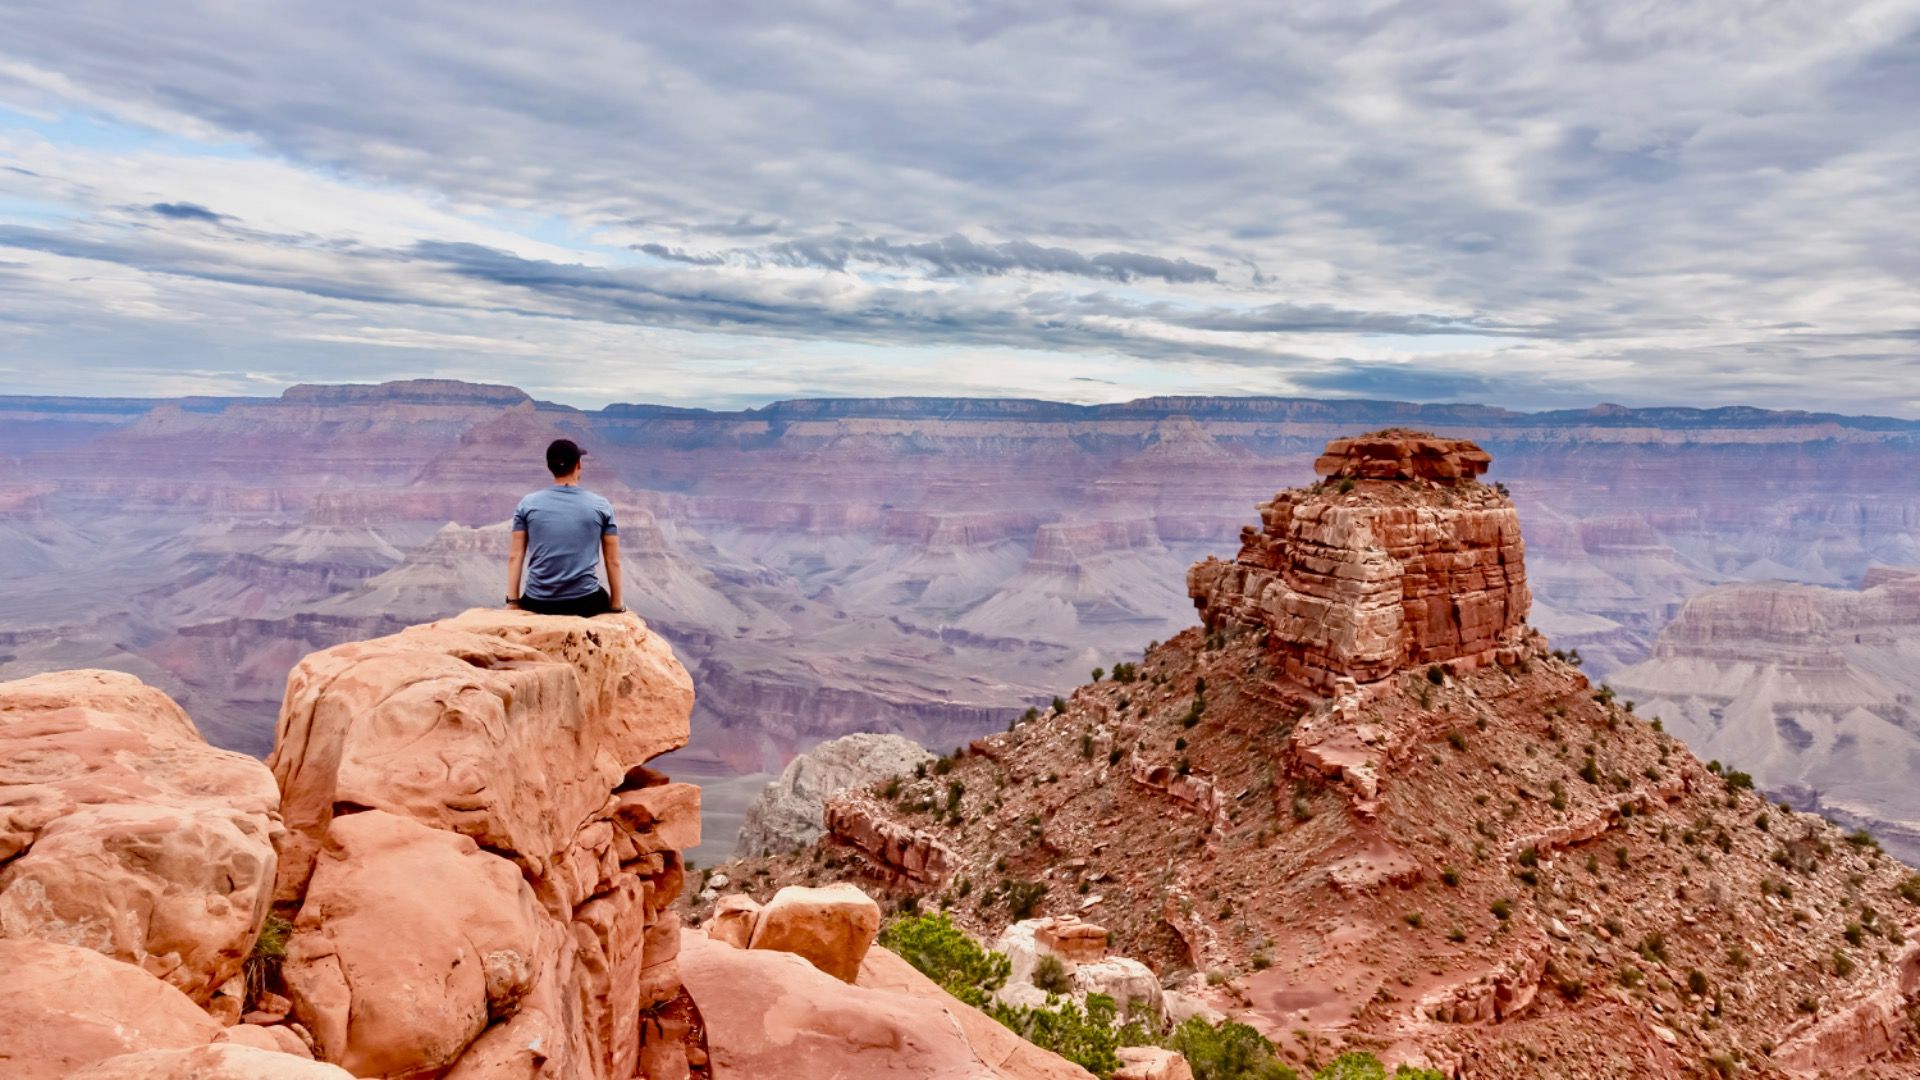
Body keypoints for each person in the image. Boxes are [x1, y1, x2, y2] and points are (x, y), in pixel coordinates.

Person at [506, 438, 624, 616]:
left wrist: (513, 602)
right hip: (585, 602)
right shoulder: (601, 505)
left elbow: (515, 556)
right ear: (578, 465)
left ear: (549, 467)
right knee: (600, 595)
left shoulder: (527, 504)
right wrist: (616, 605)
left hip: (537, 602)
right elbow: (613, 561)